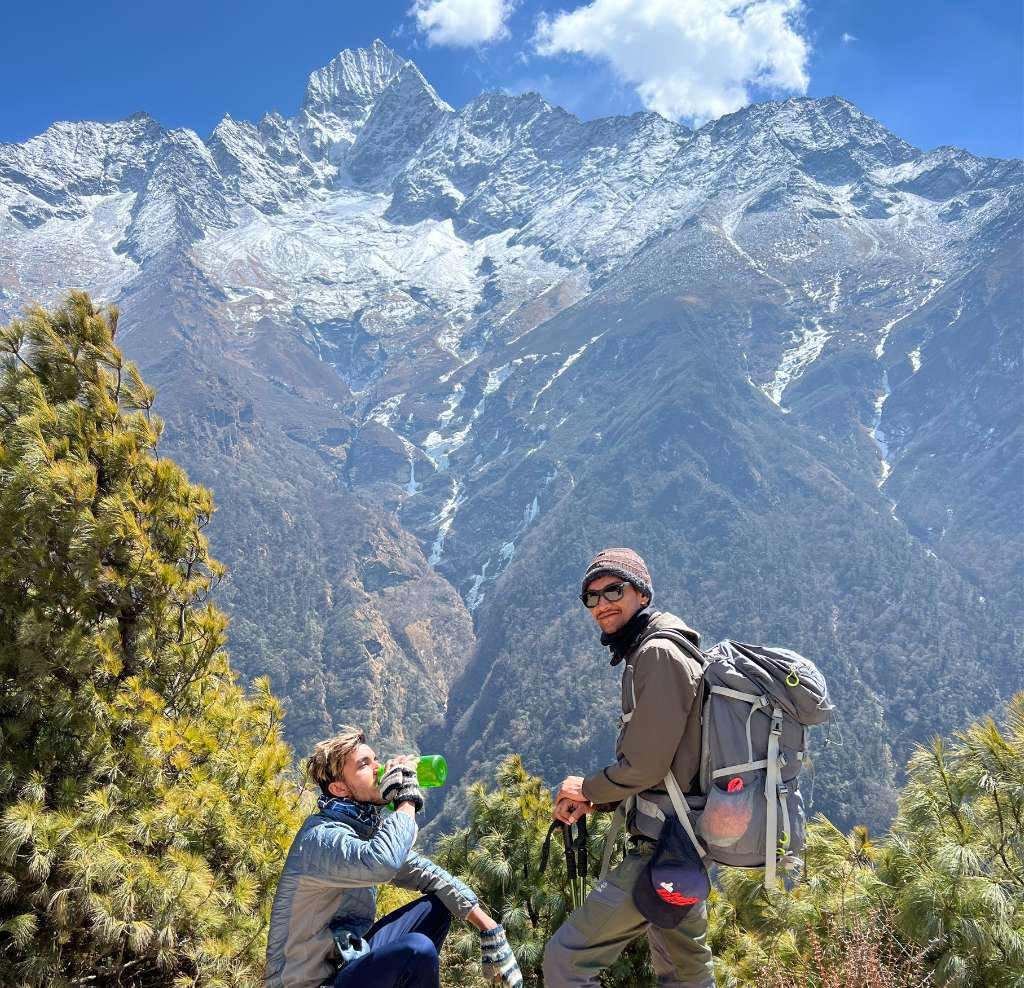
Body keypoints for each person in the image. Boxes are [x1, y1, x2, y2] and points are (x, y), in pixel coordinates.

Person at [542, 548, 716, 988]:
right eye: (592, 597)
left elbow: (645, 766)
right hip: (682, 844)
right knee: (683, 975)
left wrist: (587, 789)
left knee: (566, 959)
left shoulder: (658, 653)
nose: (601, 604)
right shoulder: (653, 649)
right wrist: (598, 802)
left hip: (662, 848)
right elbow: (667, 765)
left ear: (642, 593)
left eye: (613, 591)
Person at [265, 727, 522, 988]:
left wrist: (489, 927)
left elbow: (426, 874)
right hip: (310, 983)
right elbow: (384, 862)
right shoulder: (320, 839)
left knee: (438, 905)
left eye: (375, 759)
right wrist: (406, 798)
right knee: (417, 950)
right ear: (340, 788)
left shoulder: (361, 828)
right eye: (364, 765)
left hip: (348, 961)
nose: (378, 768)